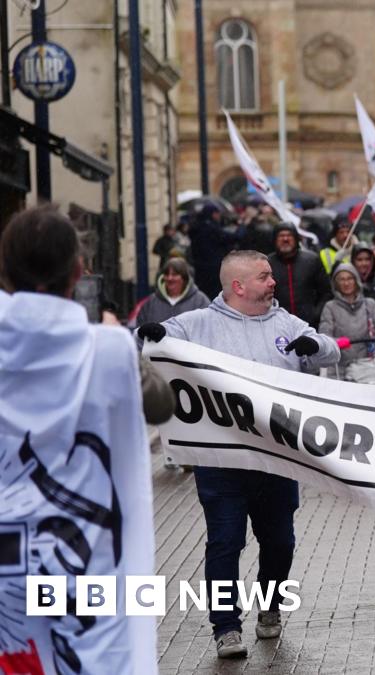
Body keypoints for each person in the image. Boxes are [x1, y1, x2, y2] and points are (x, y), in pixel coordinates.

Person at [137, 250, 341, 658]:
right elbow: (150, 341)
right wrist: (152, 334)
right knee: (225, 543)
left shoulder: (286, 322)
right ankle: (226, 627)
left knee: (279, 542)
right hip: (222, 462)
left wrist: (314, 343)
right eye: (265, 277)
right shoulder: (197, 324)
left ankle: (270, 608)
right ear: (238, 285)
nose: (273, 284)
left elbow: (331, 350)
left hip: (277, 459)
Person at [0, 205, 158, 674]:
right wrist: (123, 343)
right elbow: (161, 405)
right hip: (83, 554)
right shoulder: (105, 348)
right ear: (78, 270)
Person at [320, 263, 375, 373]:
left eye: (349, 278)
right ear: (335, 283)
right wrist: (336, 342)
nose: (346, 283)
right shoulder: (330, 307)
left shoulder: (370, 304)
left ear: (356, 280)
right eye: (341, 280)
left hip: (370, 365)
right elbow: (324, 337)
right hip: (341, 369)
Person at [268, 223, 331, 329]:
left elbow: (326, 292)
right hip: (279, 325)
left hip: (309, 325)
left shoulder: (312, 260)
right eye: (281, 236)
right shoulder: (267, 263)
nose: (285, 239)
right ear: (275, 240)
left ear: (296, 239)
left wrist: (316, 314)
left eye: (289, 235)